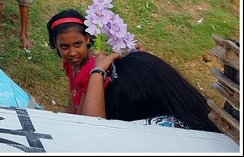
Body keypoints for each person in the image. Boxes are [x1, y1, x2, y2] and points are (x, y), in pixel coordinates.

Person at [82, 50, 220, 132]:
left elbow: (93, 131)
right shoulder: (189, 103)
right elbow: (153, 80)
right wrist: (146, 66)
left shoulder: (160, 126)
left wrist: (96, 73)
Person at [46, 10, 99, 114]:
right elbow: (71, 105)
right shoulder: (70, 64)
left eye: (77, 44)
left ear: (87, 38)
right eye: (64, 46)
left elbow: (81, 117)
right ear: (56, 44)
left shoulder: (92, 69)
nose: (72, 53)